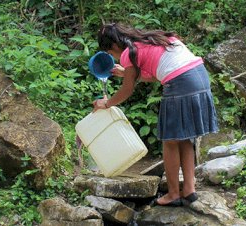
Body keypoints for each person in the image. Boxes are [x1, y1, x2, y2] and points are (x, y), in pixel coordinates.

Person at [93, 23, 219, 206]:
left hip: (180, 84)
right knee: (184, 138)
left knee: (169, 141)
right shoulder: (154, 38)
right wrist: (126, 73)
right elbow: (158, 73)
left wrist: (107, 103)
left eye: (112, 54)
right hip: (200, 77)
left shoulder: (129, 53)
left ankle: (174, 193)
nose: (115, 57)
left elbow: (127, 90)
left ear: (112, 47)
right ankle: (189, 190)